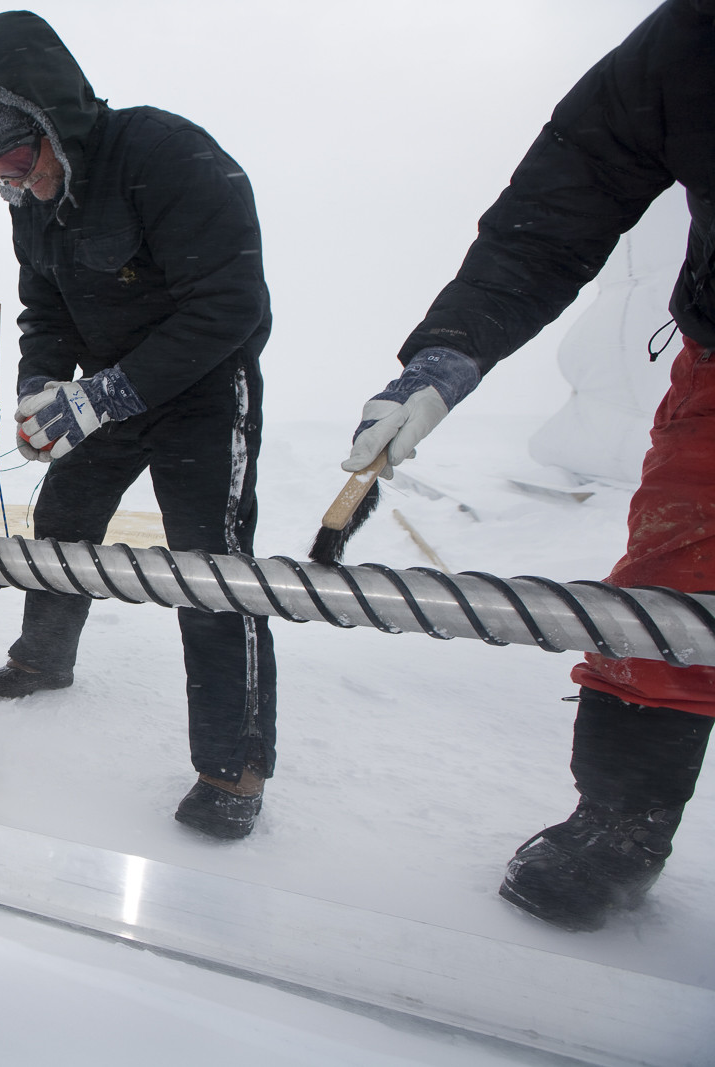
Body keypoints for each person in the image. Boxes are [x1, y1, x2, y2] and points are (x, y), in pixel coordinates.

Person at [340, 0, 715, 930]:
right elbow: (558, 205)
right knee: (669, 592)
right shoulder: (690, 44)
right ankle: (622, 820)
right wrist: (447, 356)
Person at [0, 11, 277, 839]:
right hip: (106, 388)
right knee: (63, 520)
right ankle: (44, 656)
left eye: (19, 159)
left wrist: (101, 396)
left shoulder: (167, 156)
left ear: (52, 123)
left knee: (210, 565)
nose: (13, 183)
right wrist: (40, 389)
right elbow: (44, 306)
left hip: (203, 387)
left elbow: (232, 304)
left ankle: (231, 767)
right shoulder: (34, 203)